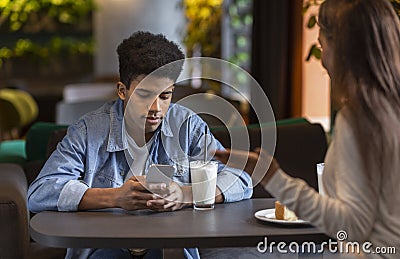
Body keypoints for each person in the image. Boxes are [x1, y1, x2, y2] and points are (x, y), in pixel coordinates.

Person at [28, 31, 252, 259]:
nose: (156, 108)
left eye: (165, 96)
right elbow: (39, 193)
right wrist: (115, 197)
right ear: (122, 91)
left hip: (170, 248)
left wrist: (185, 195)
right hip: (104, 248)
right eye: (144, 95)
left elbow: (240, 179)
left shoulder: (187, 126)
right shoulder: (87, 130)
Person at [215, 0, 400, 257]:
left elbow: (351, 227)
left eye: (324, 46)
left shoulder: (359, 120)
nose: (322, 58)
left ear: (344, 51)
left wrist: (273, 177)